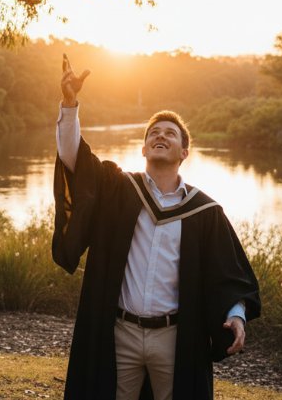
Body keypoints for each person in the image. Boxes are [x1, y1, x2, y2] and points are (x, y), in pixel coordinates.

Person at [52, 55, 261, 400]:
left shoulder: (203, 211)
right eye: (154, 133)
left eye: (170, 133)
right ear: (144, 147)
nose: (160, 136)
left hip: (174, 337)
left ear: (184, 151)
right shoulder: (119, 188)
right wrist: (70, 104)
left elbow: (230, 274)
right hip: (121, 331)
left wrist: (236, 316)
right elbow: (75, 161)